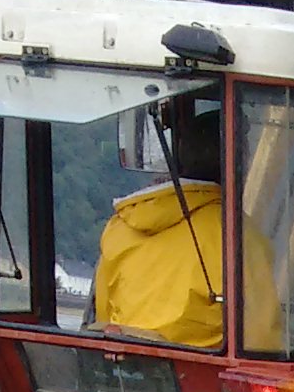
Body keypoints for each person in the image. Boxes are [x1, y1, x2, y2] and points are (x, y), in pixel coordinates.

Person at [95, 97, 224, 346]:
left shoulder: (120, 225)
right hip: (202, 377)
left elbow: (103, 312)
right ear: (235, 164)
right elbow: (262, 338)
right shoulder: (238, 235)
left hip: (127, 367)